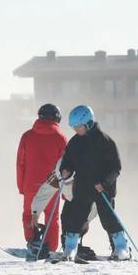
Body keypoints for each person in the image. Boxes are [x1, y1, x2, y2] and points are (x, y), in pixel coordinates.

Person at [58, 106, 128, 261]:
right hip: (82, 187)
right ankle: (70, 248)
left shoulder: (105, 141)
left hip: (103, 188)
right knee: (75, 218)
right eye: (74, 127)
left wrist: (104, 183)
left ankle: (121, 248)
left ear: (88, 123)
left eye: (79, 127)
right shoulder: (75, 142)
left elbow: (116, 168)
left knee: (108, 218)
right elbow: (67, 161)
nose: (76, 130)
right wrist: (66, 170)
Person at [16, 103, 68, 258]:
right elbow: (67, 166)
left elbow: (20, 163)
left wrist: (21, 187)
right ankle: (50, 248)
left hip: (30, 185)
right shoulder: (60, 138)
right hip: (53, 186)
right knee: (52, 217)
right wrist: (65, 193)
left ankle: (33, 242)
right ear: (57, 118)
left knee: (28, 215)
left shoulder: (27, 136)